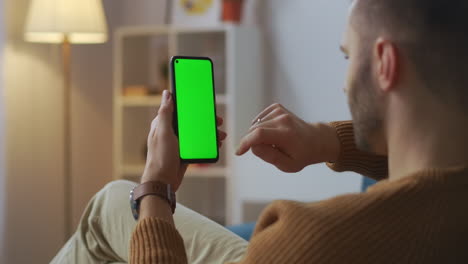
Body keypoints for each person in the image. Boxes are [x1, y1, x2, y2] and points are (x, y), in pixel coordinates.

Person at [52, 0, 468, 263]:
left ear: (383, 62)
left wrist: (156, 190)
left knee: (114, 203)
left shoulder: (308, 240)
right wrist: (325, 140)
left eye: (347, 56)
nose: (344, 82)